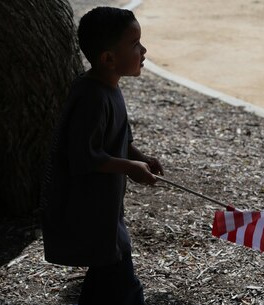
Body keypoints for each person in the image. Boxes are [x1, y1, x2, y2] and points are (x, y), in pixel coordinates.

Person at [40, 7, 163, 304]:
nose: (143, 50)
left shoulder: (110, 88)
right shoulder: (92, 98)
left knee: (104, 278)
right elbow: (84, 156)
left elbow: (117, 142)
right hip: (89, 209)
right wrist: (130, 167)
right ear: (109, 58)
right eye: (135, 43)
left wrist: (140, 156)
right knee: (123, 284)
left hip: (106, 210)